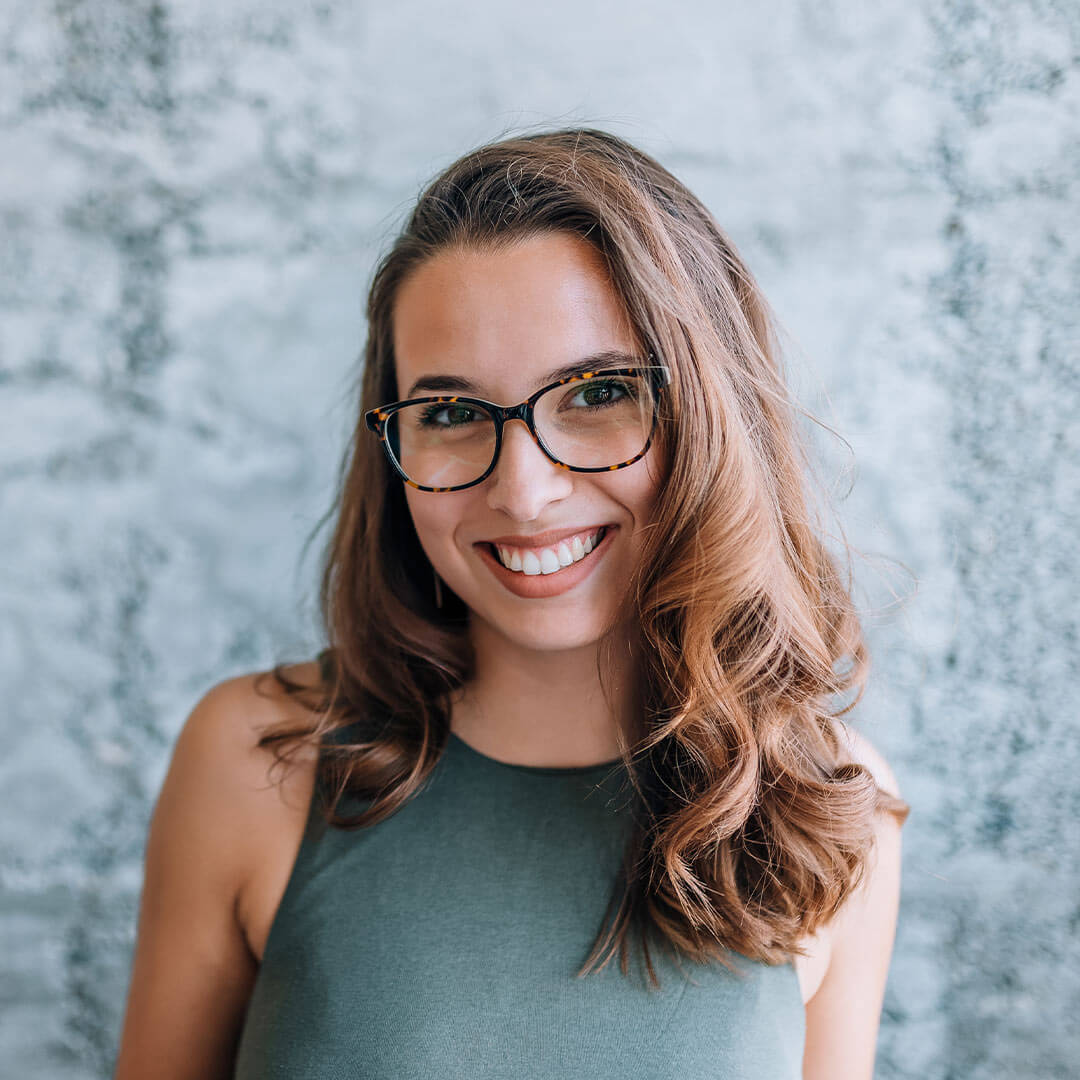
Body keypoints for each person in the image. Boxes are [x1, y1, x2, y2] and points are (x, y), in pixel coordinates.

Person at [113, 127, 911, 1079]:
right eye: (449, 414)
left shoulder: (828, 807)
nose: (524, 493)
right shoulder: (253, 760)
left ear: (709, 411)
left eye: (600, 392)